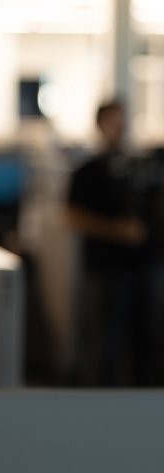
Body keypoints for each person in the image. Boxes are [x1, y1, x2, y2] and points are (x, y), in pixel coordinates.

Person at [65, 100, 155, 386]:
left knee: (145, 341)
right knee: (105, 344)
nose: (120, 128)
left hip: (143, 268)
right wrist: (115, 230)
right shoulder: (88, 171)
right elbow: (73, 216)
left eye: (123, 121)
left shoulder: (140, 168)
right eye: (114, 121)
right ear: (100, 124)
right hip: (105, 271)